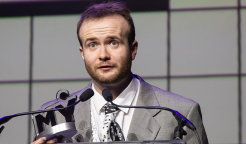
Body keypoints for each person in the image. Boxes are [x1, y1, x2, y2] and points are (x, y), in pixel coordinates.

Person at [32, 1, 208, 144]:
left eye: (113, 42)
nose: (103, 55)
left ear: (133, 49)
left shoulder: (179, 112)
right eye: (92, 45)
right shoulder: (54, 115)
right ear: (82, 53)